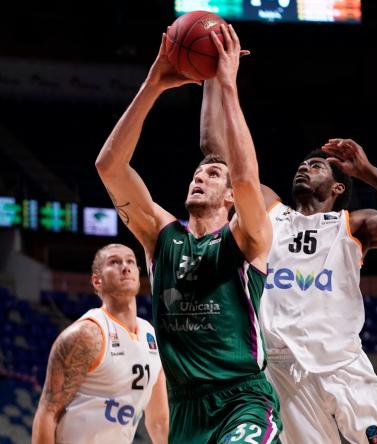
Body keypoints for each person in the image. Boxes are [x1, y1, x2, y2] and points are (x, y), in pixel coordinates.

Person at [201, 80, 377, 443]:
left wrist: (369, 172)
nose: (304, 167)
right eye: (302, 164)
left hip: (343, 363)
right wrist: (215, 78)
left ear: (338, 187)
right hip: (284, 370)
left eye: (315, 165)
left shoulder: (352, 224)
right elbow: (216, 151)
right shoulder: (269, 213)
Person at [94, 24, 281, 444]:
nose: (200, 176)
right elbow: (109, 168)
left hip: (242, 400)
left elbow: (249, 180)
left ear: (231, 196)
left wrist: (227, 85)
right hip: (184, 409)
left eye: (213, 173)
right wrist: (153, 84)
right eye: (197, 171)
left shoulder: (247, 239)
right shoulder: (162, 237)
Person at [32, 244, 168, 444]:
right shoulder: (86, 335)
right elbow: (47, 413)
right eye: (115, 262)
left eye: (130, 261)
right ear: (97, 281)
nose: (125, 267)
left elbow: (158, 422)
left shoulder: (151, 336)